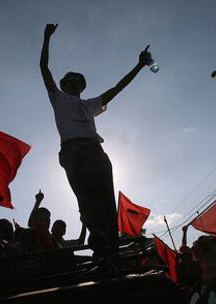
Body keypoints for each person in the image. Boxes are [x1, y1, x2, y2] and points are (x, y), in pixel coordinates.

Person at [40, 23, 152, 257]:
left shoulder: (90, 104)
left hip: (94, 151)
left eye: (77, 82)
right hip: (73, 151)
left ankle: (110, 249)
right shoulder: (58, 99)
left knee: (106, 203)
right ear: (63, 86)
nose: (74, 84)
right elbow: (44, 68)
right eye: (69, 81)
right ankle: (99, 243)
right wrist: (47, 38)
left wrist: (140, 65)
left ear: (81, 86)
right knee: (86, 201)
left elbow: (117, 88)